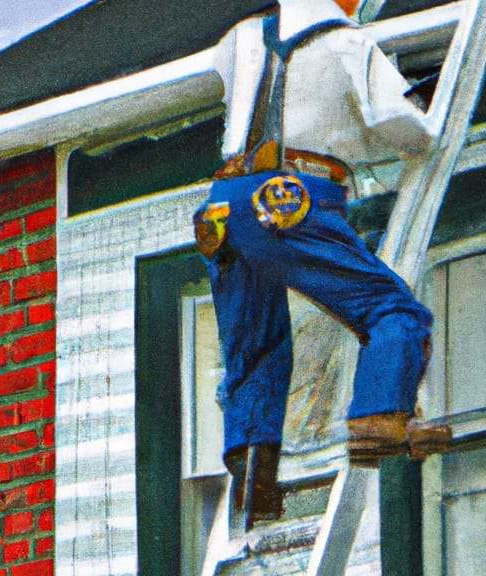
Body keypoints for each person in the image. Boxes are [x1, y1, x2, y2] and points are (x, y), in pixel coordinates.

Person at [193, 0, 446, 528]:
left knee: (254, 349)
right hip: (293, 199)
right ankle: (379, 416)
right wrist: (421, 106)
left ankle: (254, 484)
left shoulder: (238, 39)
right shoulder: (348, 42)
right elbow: (406, 129)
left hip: (221, 210)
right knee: (392, 312)